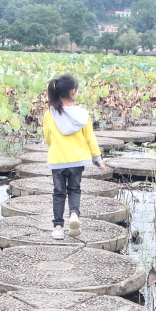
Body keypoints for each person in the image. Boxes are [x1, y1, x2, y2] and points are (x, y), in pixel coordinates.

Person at [43, 74, 104, 240]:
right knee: (74, 189)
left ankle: (57, 228)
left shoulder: (50, 113)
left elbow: (48, 137)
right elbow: (90, 138)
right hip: (77, 160)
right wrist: (97, 158)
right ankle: (74, 215)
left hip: (57, 160)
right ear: (73, 91)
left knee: (58, 193)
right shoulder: (83, 114)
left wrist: (56, 145)